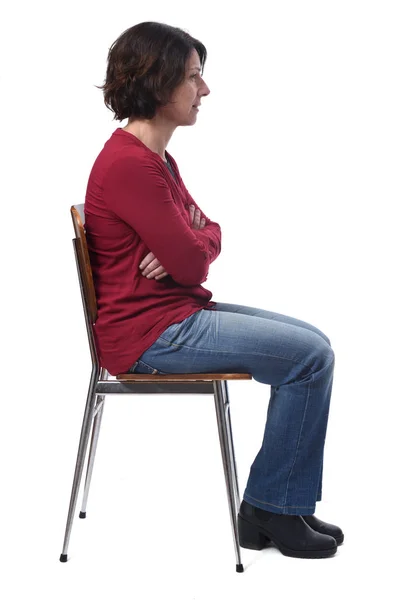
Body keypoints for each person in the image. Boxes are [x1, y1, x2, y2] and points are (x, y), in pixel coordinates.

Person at [85, 21, 343, 559]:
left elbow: (207, 234)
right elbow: (193, 260)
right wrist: (189, 249)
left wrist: (191, 245)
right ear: (159, 84)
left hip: (171, 315)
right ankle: (273, 508)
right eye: (194, 78)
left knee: (313, 341)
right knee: (311, 357)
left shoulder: (157, 160)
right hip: (151, 336)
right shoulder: (132, 166)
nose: (204, 90)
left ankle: (273, 505)